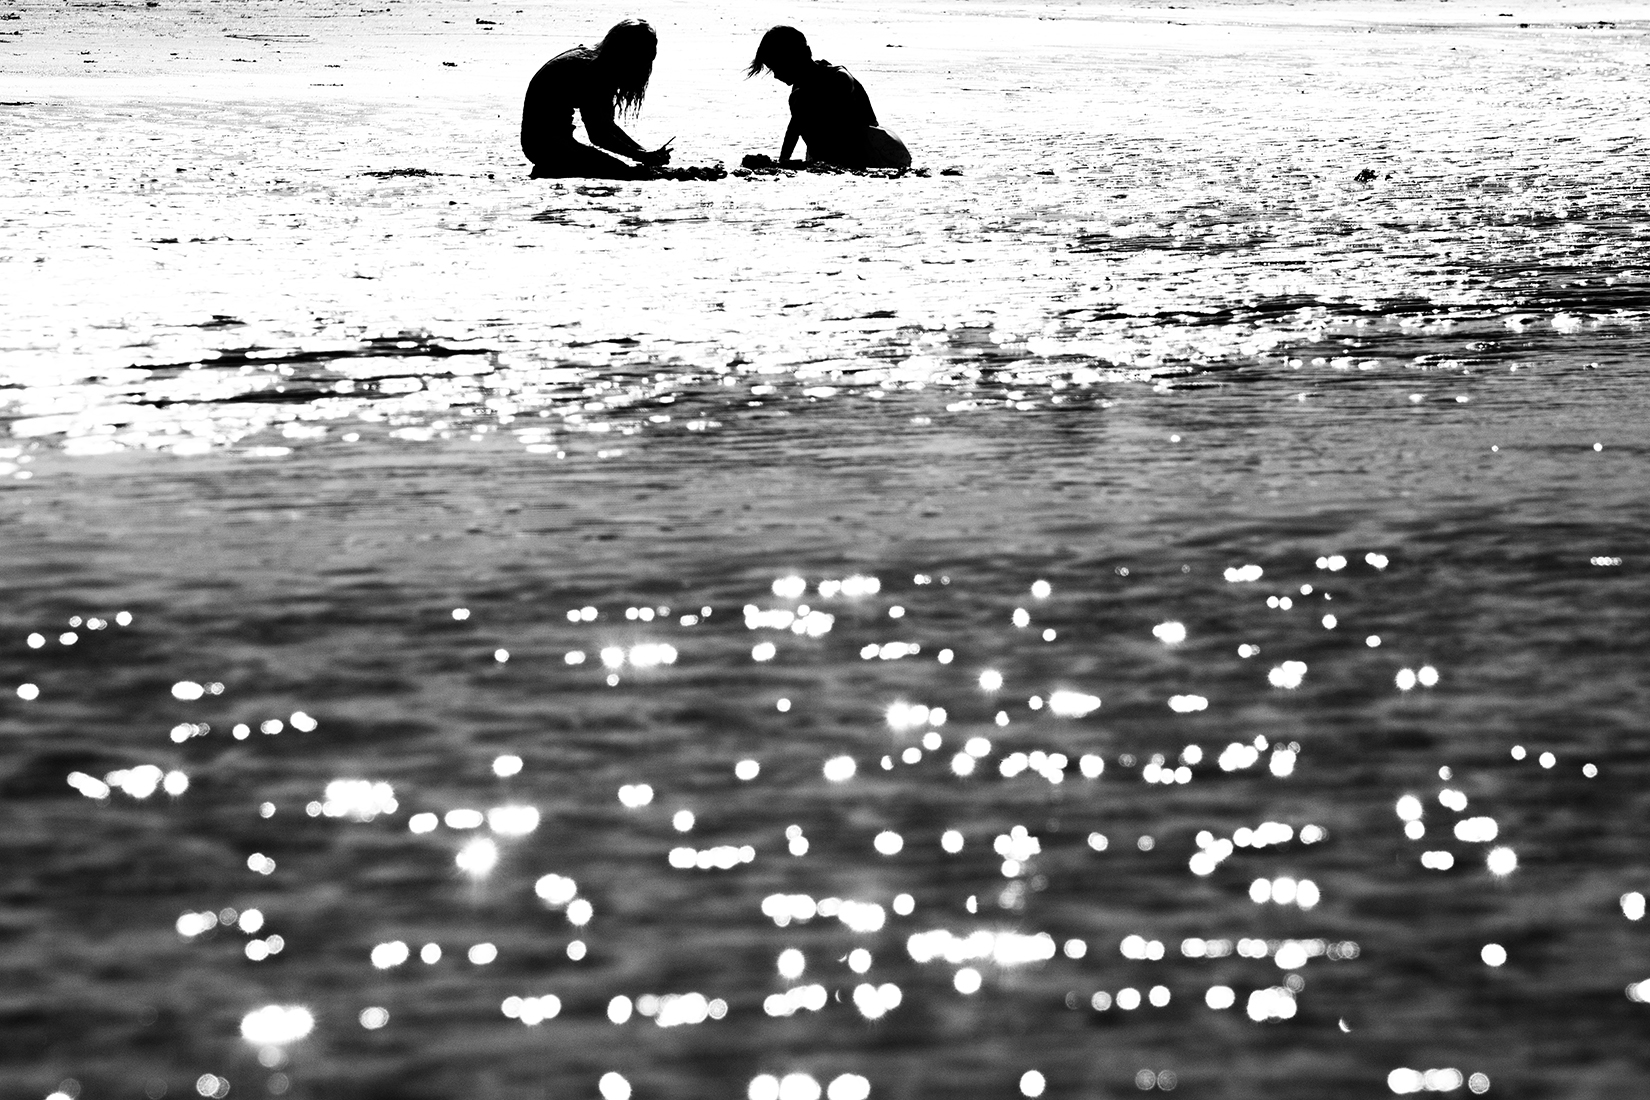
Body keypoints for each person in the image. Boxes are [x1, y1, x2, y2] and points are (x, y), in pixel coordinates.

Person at [521, 19, 673, 179]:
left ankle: (552, 169)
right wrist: (641, 156)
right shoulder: (595, 72)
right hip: (544, 145)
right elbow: (598, 135)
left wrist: (643, 152)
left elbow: (606, 125)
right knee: (621, 172)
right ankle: (550, 169)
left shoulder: (595, 60)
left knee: (618, 170)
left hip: (546, 141)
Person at [746, 26, 911, 170]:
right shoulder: (798, 94)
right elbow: (794, 127)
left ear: (803, 55)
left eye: (778, 67)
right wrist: (783, 161)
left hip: (877, 153)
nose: (776, 76)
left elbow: (845, 130)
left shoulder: (839, 78)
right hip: (831, 152)